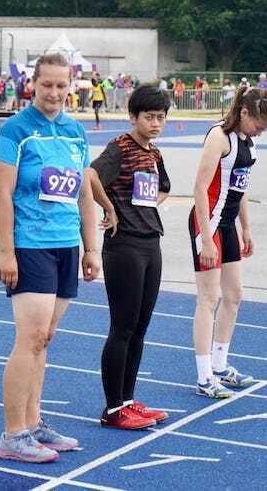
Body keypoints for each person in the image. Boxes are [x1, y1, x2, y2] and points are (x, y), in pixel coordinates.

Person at [0, 52, 100, 463]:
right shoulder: (15, 132)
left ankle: (33, 424)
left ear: (70, 86)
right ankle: (13, 433)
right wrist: (6, 251)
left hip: (65, 245)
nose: (54, 93)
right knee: (30, 338)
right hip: (30, 245)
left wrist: (91, 248)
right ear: (32, 85)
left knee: (45, 339)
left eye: (61, 85)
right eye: (47, 85)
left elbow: (84, 194)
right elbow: (2, 195)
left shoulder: (75, 132)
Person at [86, 83, 173, 429]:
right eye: (149, 117)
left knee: (140, 328)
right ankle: (112, 409)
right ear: (133, 116)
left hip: (152, 242)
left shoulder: (154, 153)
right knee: (122, 327)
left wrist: (143, 207)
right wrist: (110, 208)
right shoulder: (119, 147)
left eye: (161, 118)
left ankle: (127, 400)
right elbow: (90, 176)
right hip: (124, 247)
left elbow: (163, 187)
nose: (155, 123)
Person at [189, 87, 267, 398]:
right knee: (208, 298)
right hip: (208, 222)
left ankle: (221, 365)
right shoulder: (219, 137)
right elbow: (200, 188)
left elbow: (240, 189)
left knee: (234, 295)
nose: (260, 133)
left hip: (227, 224)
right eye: (259, 125)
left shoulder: (247, 142)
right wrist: (206, 239)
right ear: (243, 113)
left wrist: (247, 229)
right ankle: (203, 377)